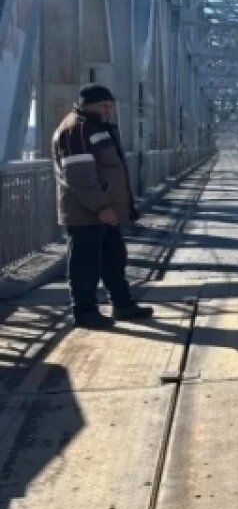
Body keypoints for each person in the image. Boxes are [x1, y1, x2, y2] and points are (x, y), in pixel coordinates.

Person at [52, 84, 154, 329]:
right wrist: (101, 208)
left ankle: (123, 305)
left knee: (114, 259)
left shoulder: (95, 127)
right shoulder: (76, 129)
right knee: (85, 265)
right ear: (87, 105)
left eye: (111, 105)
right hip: (86, 213)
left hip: (104, 210)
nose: (109, 110)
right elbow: (79, 176)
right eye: (104, 106)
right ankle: (85, 312)